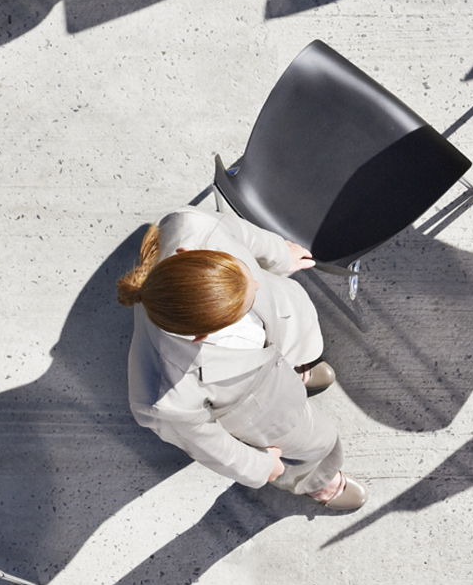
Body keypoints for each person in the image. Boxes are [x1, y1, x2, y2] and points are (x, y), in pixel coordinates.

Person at [117, 208, 366, 509]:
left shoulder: (191, 227)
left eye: (242, 273)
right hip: (255, 404)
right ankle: (317, 478)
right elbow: (209, 444)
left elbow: (240, 232)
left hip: (281, 325)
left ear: (189, 253)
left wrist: (279, 254)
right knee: (312, 440)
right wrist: (262, 466)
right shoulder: (166, 399)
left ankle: (297, 369)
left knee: (297, 334)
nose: (258, 283)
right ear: (202, 337)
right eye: (242, 305)